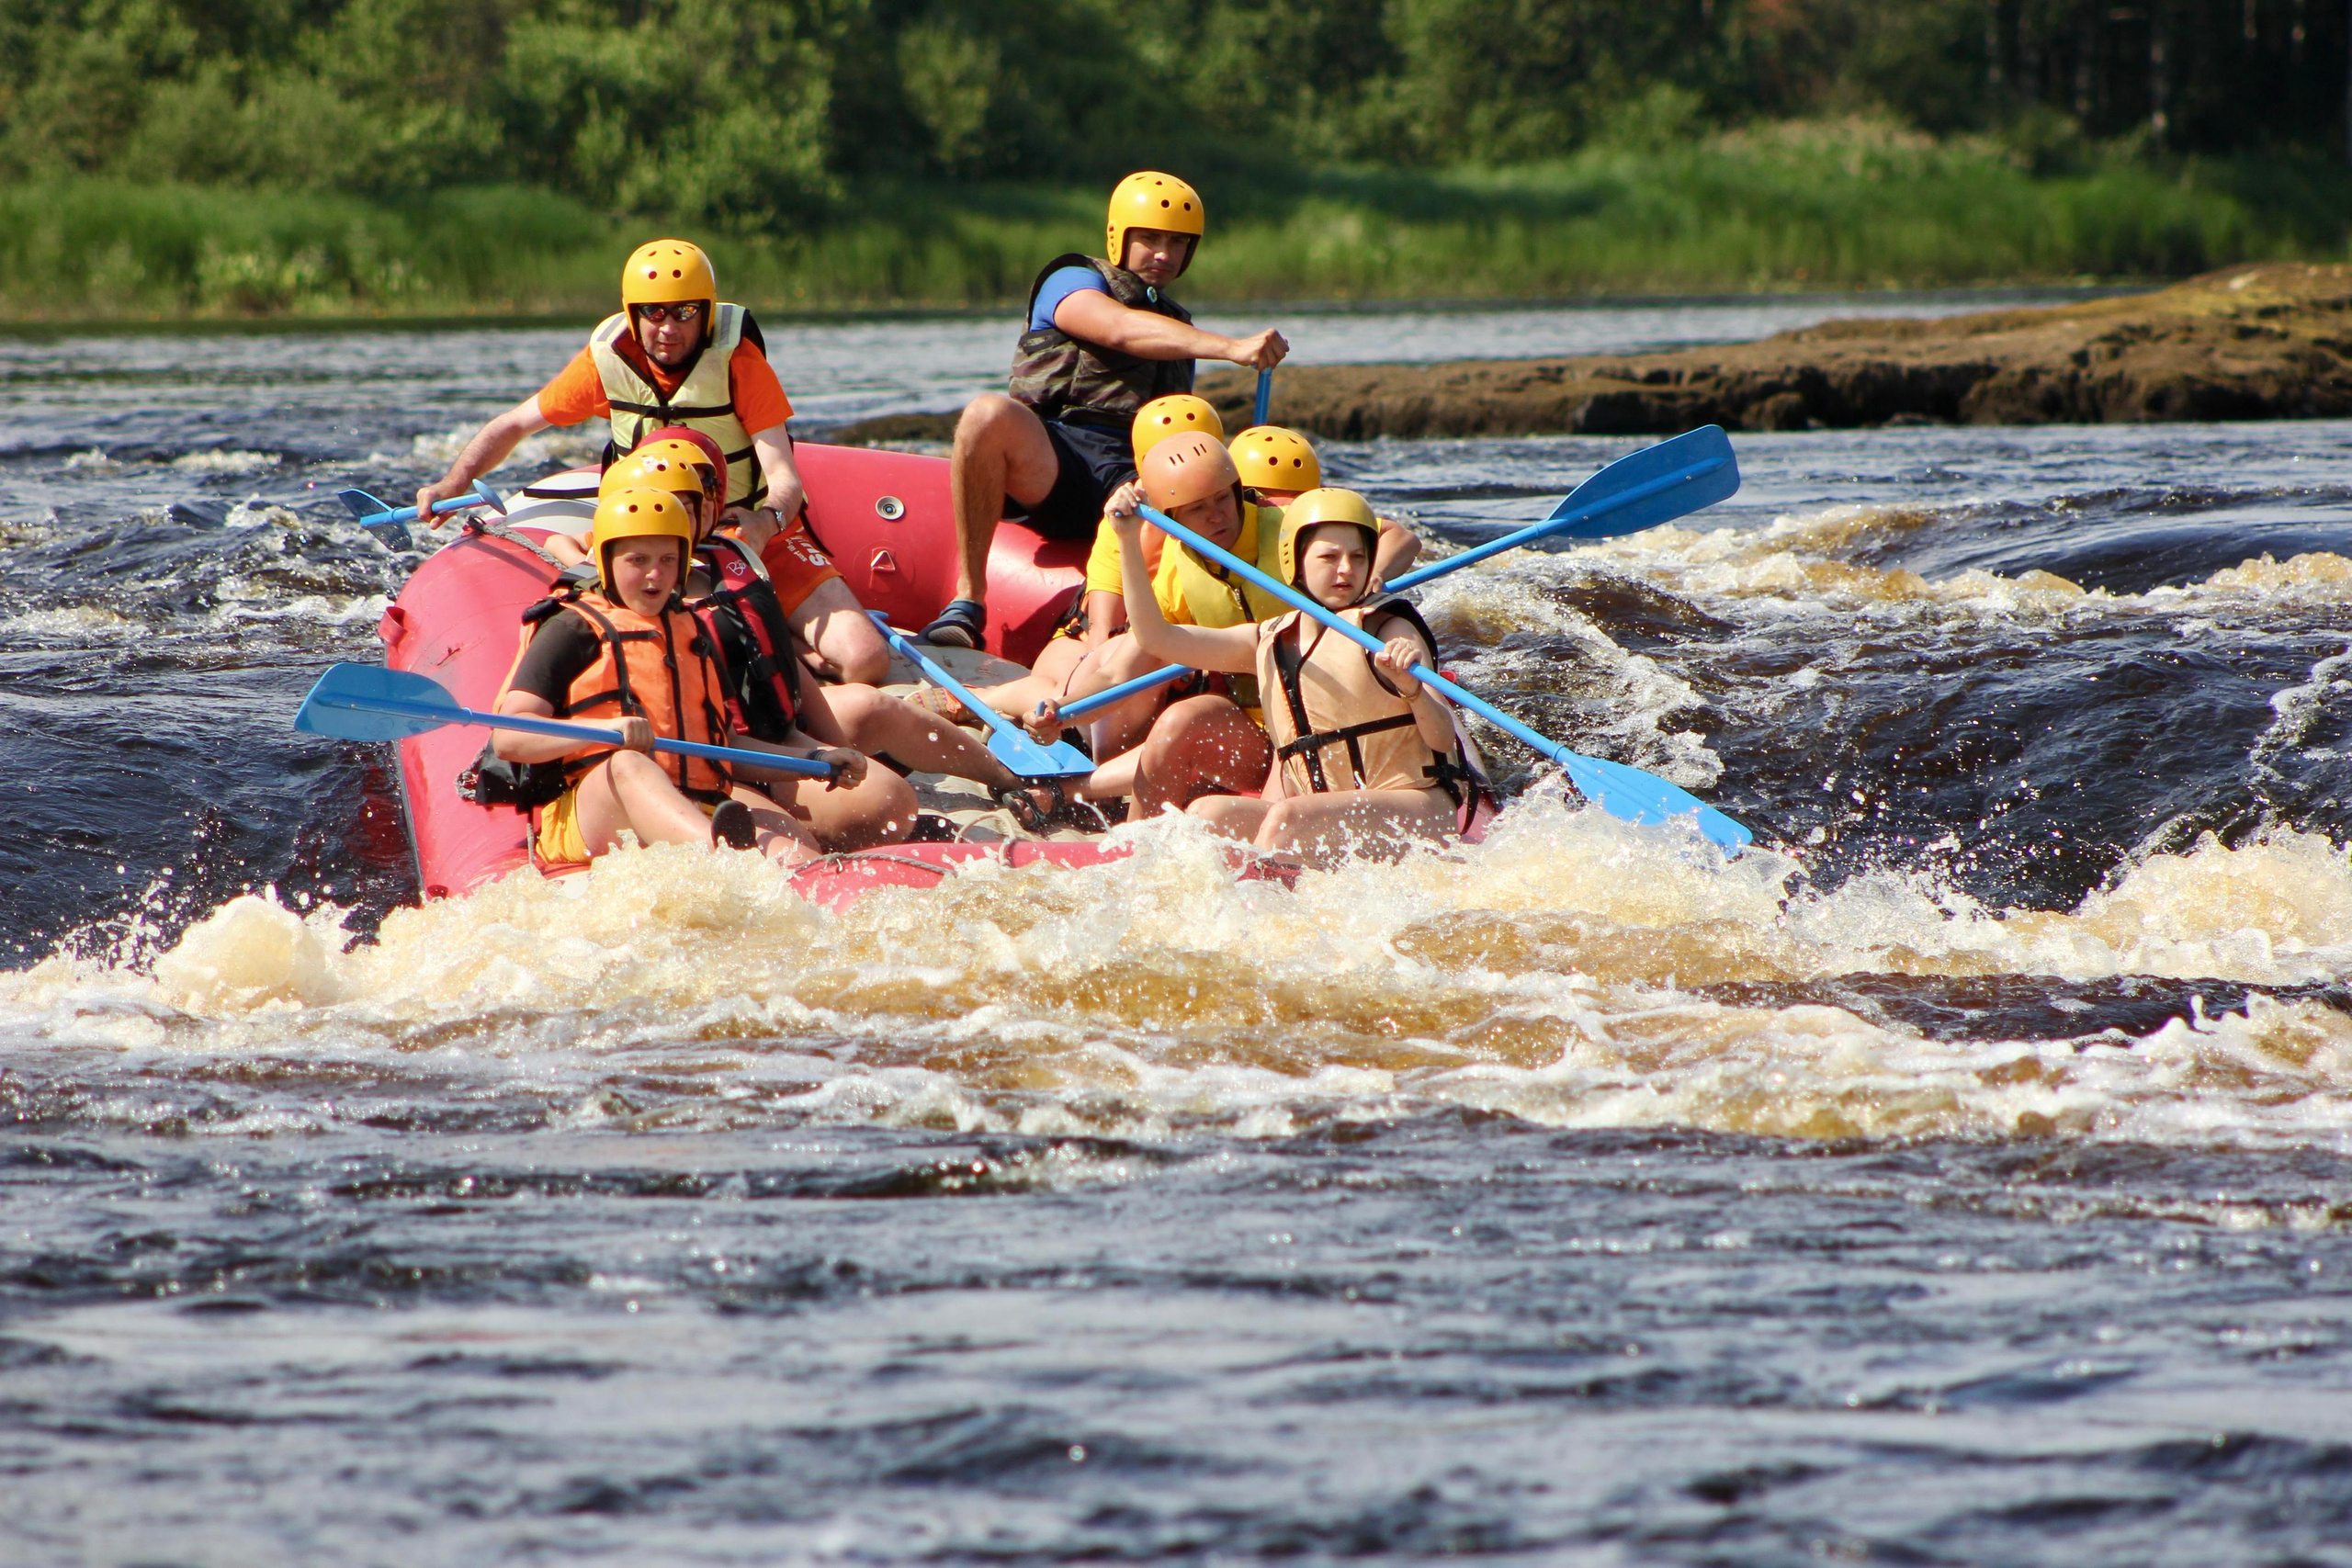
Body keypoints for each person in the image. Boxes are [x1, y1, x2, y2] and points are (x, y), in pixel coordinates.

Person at [416, 238, 889, 684]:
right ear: (633, 314)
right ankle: (778, 651)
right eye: (653, 312)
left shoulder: (739, 364)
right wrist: (452, 482)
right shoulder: (606, 362)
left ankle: (784, 649)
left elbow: (784, 477)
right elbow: (513, 425)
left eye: (685, 312)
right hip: (649, 538)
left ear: (705, 313)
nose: (668, 328)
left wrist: (767, 522)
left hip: (746, 533)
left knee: (865, 661)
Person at [603, 430, 1082, 825]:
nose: (682, 519)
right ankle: (866, 815)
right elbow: (704, 735)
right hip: (734, 759)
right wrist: (812, 757)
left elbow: (780, 660)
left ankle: (1008, 779)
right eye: (670, 508)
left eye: (694, 503)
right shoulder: (636, 604)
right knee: (888, 801)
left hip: (784, 729)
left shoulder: (730, 559)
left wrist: (829, 741)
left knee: (873, 705)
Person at [920, 172, 1290, 649]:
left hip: (1139, 468)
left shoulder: (1177, 322)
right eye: (1150, 239)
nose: (1163, 253)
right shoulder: (1072, 279)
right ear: (1119, 237)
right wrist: (1232, 347)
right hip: (1058, 458)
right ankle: (968, 601)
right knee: (986, 414)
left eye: (1177, 243)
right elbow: (1117, 329)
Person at [489, 488, 904, 871]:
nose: (654, 575)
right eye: (637, 560)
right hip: (594, 811)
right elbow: (510, 738)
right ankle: (722, 859)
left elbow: (723, 746)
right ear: (606, 561)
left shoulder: (693, 634)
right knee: (629, 763)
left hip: (697, 804)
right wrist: (604, 731)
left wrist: (812, 763)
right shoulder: (570, 629)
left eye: (667, 559)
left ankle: (735, 858)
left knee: (799, 862)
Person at [1099, 486, 1487, 863]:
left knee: (1289, 819)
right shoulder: (1268, 639)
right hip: (1325, 811)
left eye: (1357, 556)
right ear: (1294, 561)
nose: (1346, 569)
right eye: (1329, 557)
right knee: (1206, 815)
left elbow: (1439, 736)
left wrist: (1413, 690)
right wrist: (1128, 539)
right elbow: (1155, 637)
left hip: (1417, 809)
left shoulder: (1388, 630)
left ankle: (1258, 916)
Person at [1227, 426, 1421, 587]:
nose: (1279, 507)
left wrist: (1373, 576)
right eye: (1262, 496)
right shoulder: (1214, 530)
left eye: (1294, 498)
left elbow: (1404, 539)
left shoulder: (1320, 518)